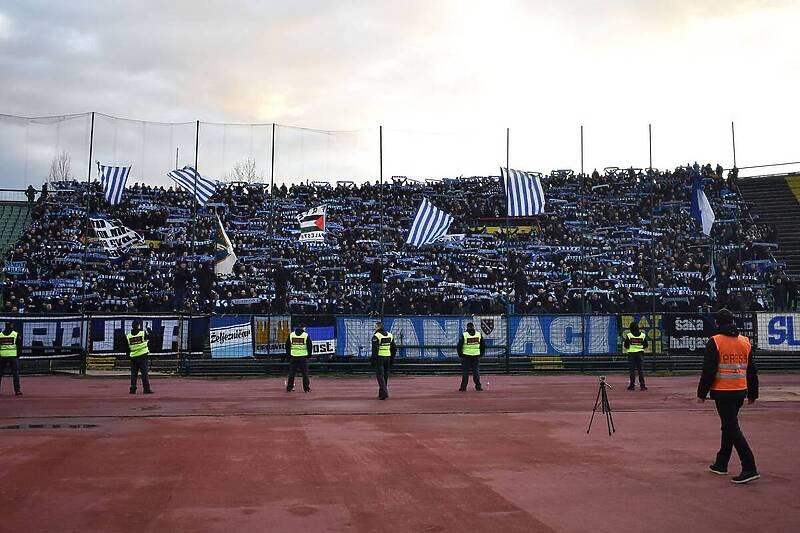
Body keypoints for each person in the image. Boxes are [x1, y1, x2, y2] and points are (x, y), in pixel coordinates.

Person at [697, 308, 759, 484]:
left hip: (723, 391)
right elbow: (752, 370)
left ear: (717, 323)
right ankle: (721, 462)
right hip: (740, 389)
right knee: (728, 425)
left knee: (731, 427)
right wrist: (753, 393)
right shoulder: (744, 341)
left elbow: (708, 370)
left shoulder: (715, 341)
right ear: (733, 321)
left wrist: (701, 393)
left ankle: (749, 466)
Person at [126, 320, 153, 394]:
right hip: (143, 356)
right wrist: (149, 330)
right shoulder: (142, 333)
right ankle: (146, 389)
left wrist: (129, 356)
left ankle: (132, 389)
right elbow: (151, 336)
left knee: (134, 374)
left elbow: (127, 348)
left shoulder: (128, 336)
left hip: (133, 357)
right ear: (138, 326)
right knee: (144, 374)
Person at [371, 321, 396, 400]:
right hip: (387, 357)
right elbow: (394, 348)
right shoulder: (390, 335)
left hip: (380, 357)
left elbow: (375, 350)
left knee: (380, 376)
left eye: (375, 326)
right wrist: (392, 358)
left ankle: (384, 393)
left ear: (378, 327)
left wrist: (373, 359)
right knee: (385, 376)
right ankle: (381, 393)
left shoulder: (376, 336)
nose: (374, 328)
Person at [457, 322, 485, 391]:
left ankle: (463, 387)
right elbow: (483, 345)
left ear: (467, 327)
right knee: (476, 372)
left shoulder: (464, 335)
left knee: (465, 372)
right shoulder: (478, 334)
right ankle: (478, 386)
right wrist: (481, 354)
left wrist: (460, 355)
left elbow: (459, 346)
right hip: (476, 356)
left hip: (466, 356)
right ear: (473, 327)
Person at [285, 324, 312, 392]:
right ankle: (306, 388)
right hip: (303, 356)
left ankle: (289, 387)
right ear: (303, 328)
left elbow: (287, 346)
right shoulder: (305, 335)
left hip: (294, 356)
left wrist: (288, 355)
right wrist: (309, 355)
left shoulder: (291, 335)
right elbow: (309, 346)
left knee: (292, 373)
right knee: (305, 373)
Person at [623, 321, 648, 390]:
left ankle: (632, 385)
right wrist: (639, 347)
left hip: (631, 354)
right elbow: (646, 345)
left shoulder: (629, 335)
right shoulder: (642, 335)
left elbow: (626, 345)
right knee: (640, 370)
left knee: (632, 371)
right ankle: (642, 385)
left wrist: (631, 347)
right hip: (640, 353)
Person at [0, 321, 23, 396]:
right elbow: (19, 346)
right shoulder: (15, 334)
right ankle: (17, 390)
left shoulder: (0, 335)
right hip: (13, 357)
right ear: (12, 325)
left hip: (2, 357)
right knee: (15, 373)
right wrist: (18, 355)